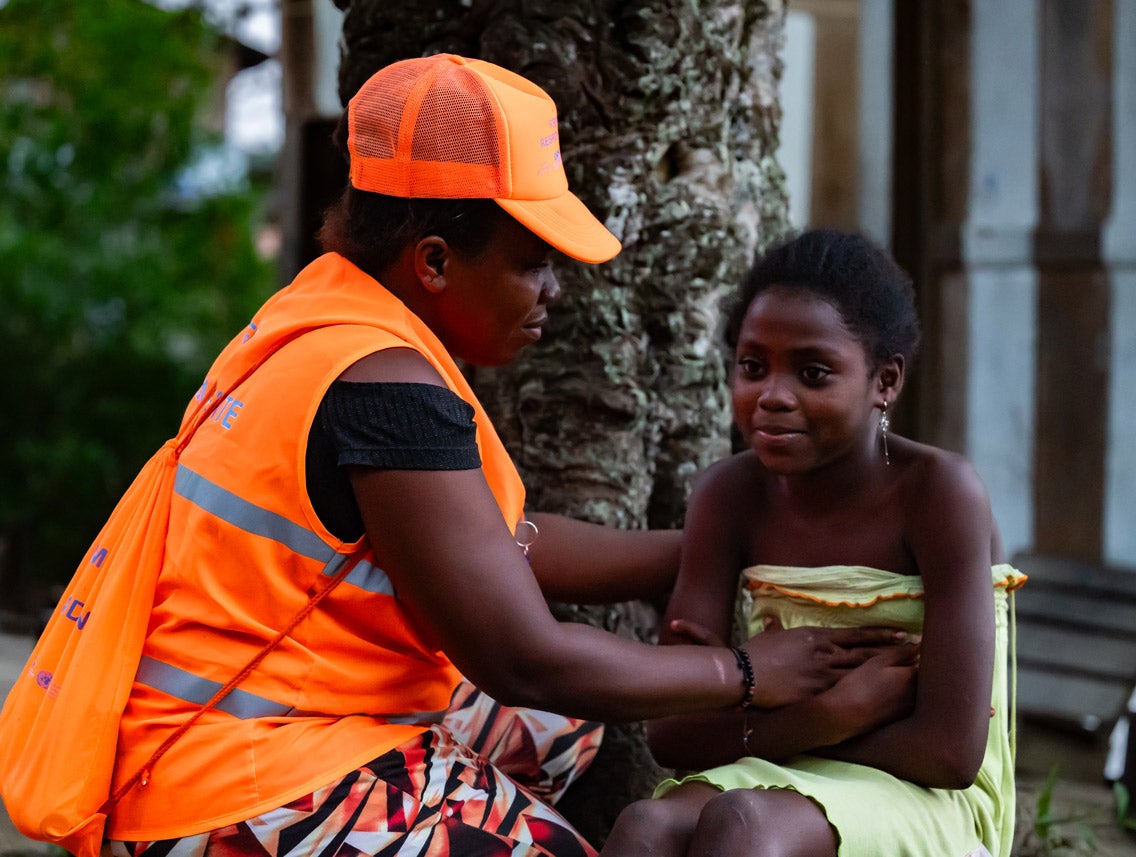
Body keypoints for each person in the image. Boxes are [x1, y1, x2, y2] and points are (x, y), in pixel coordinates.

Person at [100, 56, 912, 857]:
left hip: (227, 728)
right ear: (435, 261)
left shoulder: (323, 322)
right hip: (229, 786)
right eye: (532, 262)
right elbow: (527, 658)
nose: (553, 290)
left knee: (562, 739)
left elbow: (500, 541)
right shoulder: (384, 387)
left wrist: (721, 550)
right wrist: (746, 671)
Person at [599, 229, 1026, 857]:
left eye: (813, 372)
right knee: (645, 827)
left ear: (885, 380)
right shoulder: (728, 495)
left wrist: (760, 726)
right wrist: (833, 714)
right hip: (782, 759)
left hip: (921, 792)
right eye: (752, 367)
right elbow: (672, 733)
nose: (772, 395)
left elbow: (949, 752)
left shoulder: (938, 495)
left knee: (743, 827)